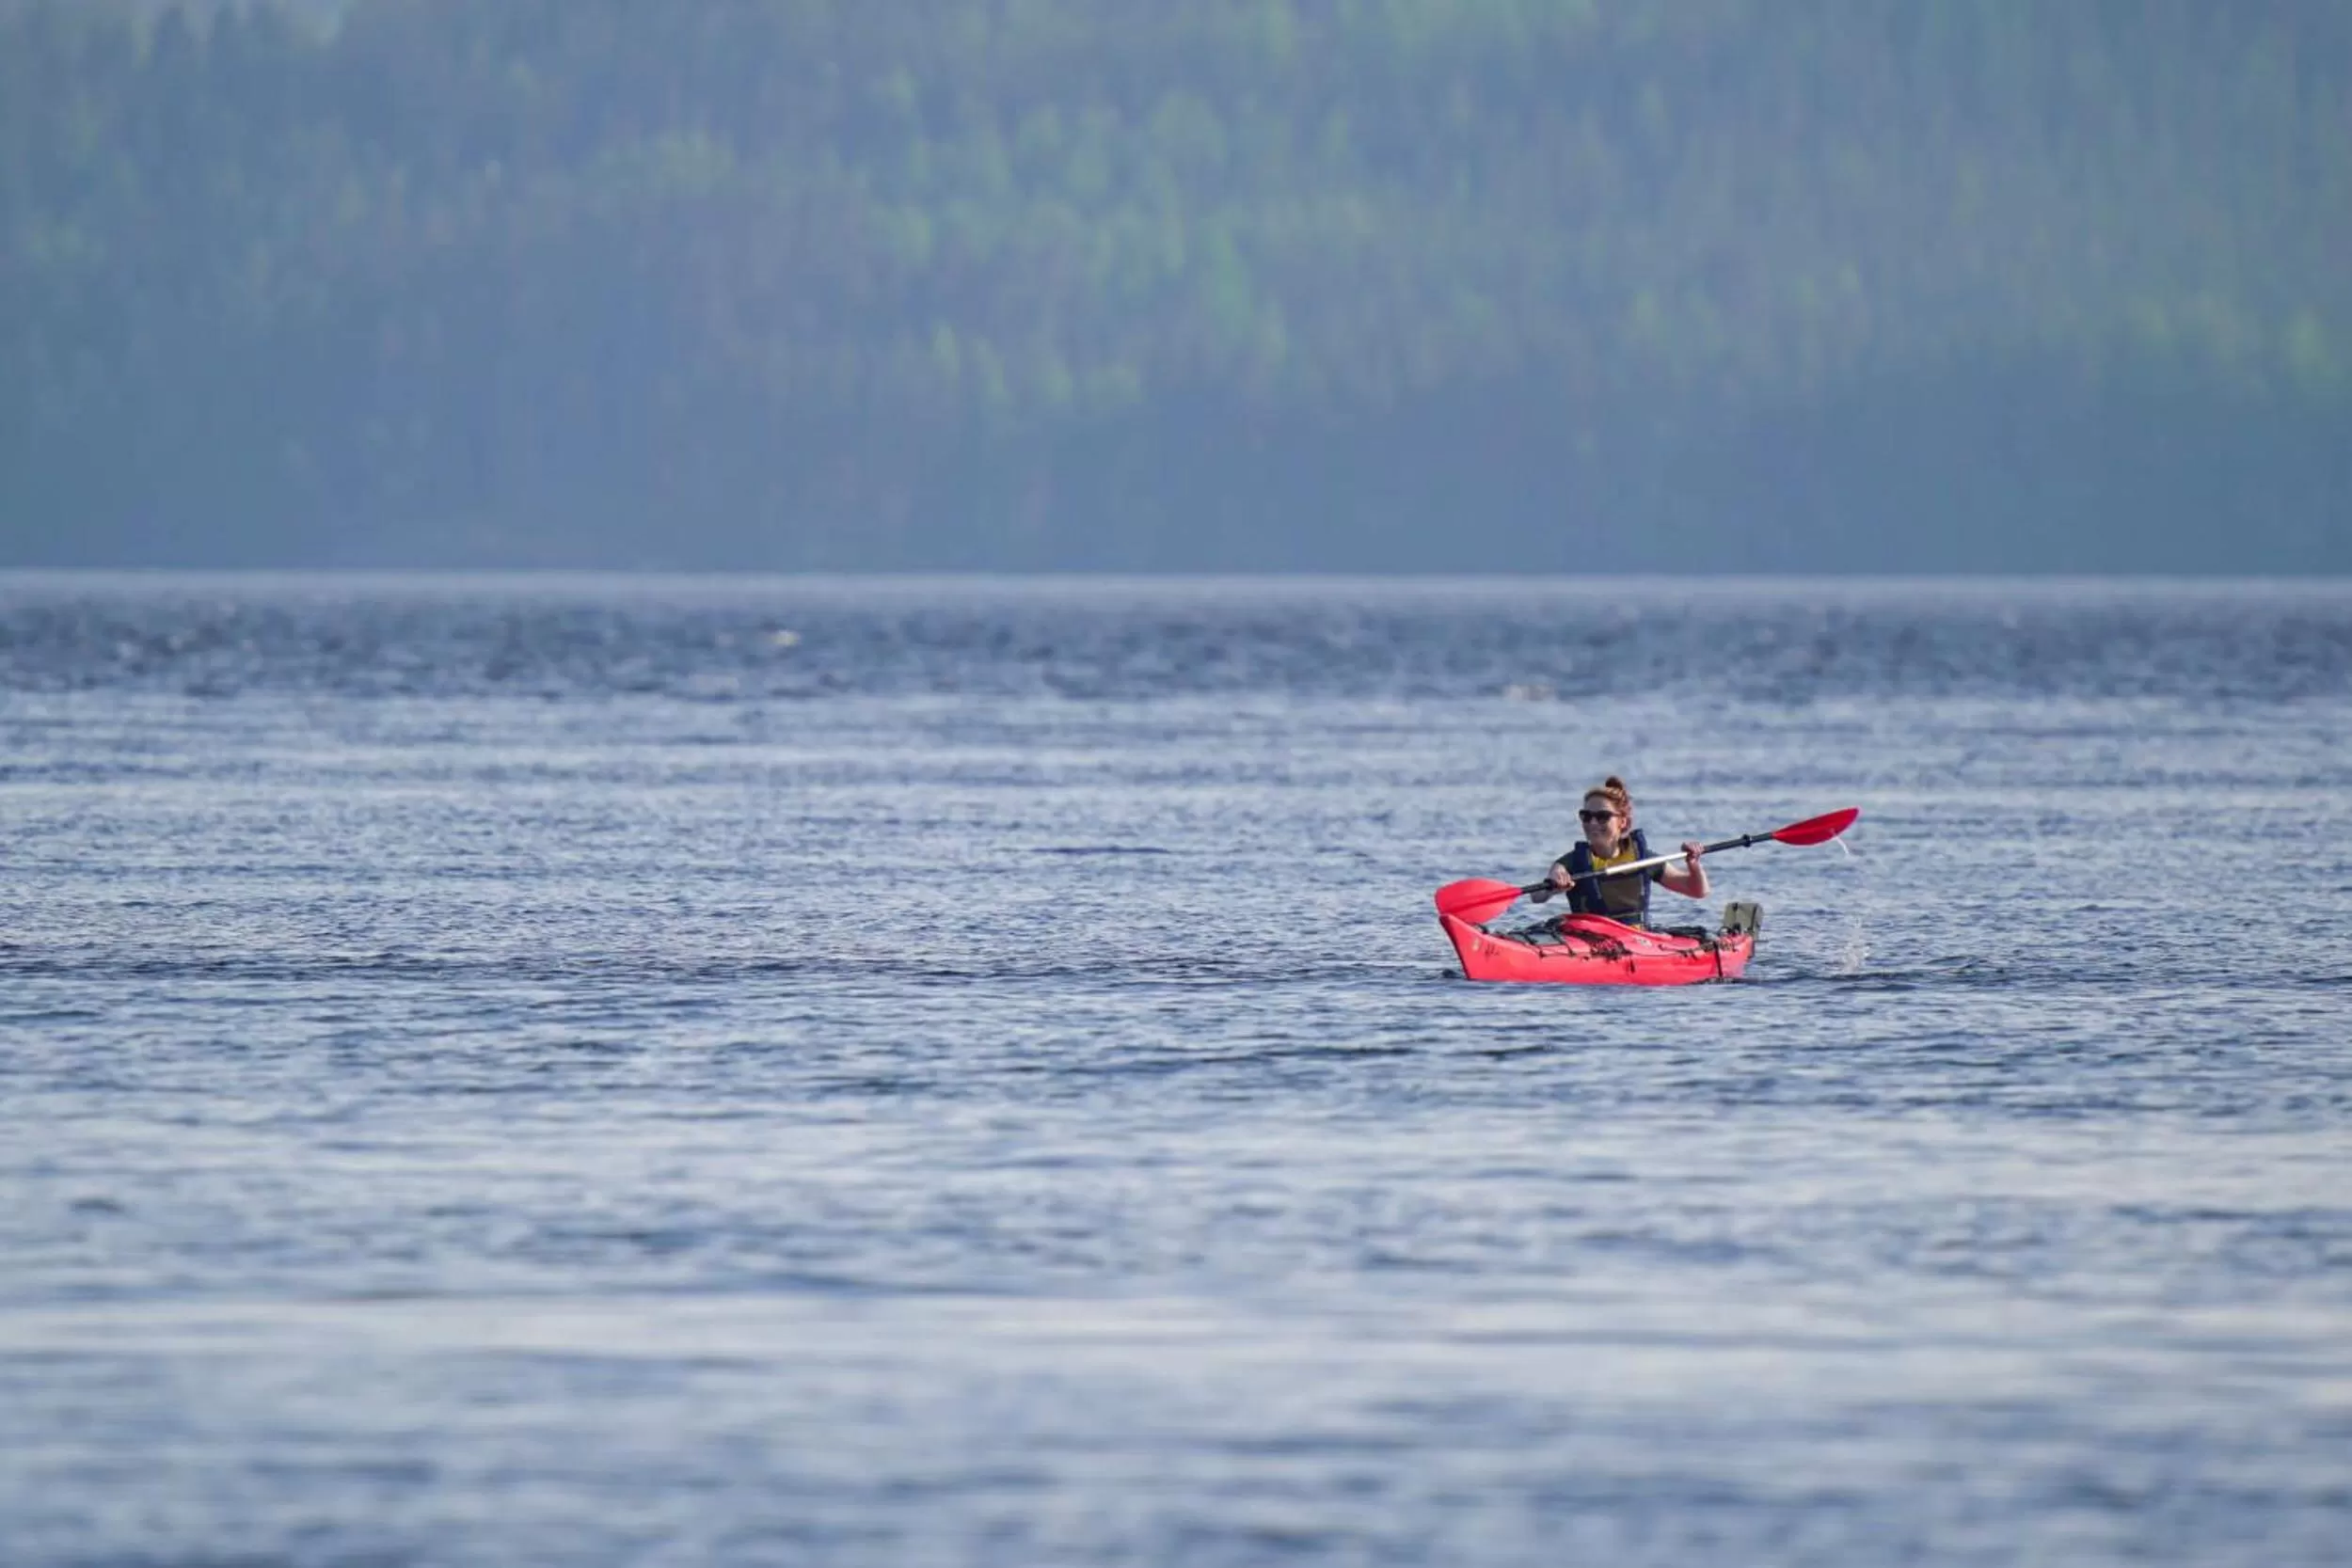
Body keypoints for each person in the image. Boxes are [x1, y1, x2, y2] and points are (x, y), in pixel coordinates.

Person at [1532, 775, 1708, 927]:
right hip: (1588, 942)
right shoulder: (1571, 862)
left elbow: (1697, 891)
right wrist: (1553, 887)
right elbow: (1537, 896)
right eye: (1586, 816)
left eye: (1602, 817)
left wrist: (1693, 865)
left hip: (1635, 943)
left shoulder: (1643, 859)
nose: (1592, 823)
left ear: (1622, 822)